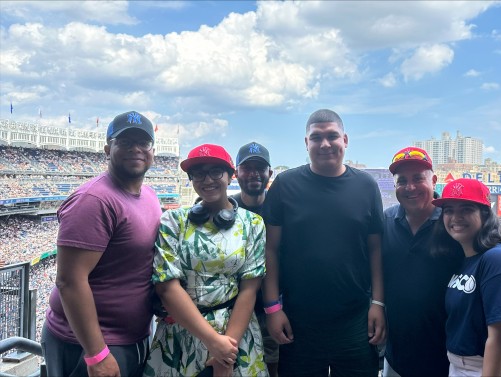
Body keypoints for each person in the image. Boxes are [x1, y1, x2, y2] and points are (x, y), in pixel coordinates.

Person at [382, 147, 501, 377]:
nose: (410, 187)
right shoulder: (387, 222)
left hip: (450, 358)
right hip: (405, 355)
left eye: (418, 178)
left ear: (433, 180)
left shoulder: (464, 236)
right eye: (402, 180)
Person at [262, 109, 385, 377]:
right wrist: (273, 308)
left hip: (355, 318)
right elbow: (270, 250)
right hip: (298, 319)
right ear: (306, 143)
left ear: (346, 140)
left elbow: (375, 250)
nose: (325, 144)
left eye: (332, 136)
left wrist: (378, 303)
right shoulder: (285, 184)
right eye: (316, 137)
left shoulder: (366, 186)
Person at [41, 111, 161, 377]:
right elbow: (70, 281)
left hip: (131, 338)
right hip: (90, 347)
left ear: (153, 151)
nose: (136, 149)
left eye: (143, 143)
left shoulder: (149, 196)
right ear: (108, 149)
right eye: (125, 142)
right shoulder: (94, 200)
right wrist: (96, 354)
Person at [144, 144, 268, 377]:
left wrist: (226, 354)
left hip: (236, 333)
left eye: (215, 172)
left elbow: (249, 290)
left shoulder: (252, 224)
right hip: (181, 332)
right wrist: (214, 342)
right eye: (199, 173)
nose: (207, 179)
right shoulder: (172, 221)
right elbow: (166, 287)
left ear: (230, 176)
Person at [431, 178, 501, 377]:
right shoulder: (464, 259)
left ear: (485, 215)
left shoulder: (496, 258)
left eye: (466, 209)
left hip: (493, 368)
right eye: (448, 210)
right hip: (459, 366)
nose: (455, 217)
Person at [229, 141, 279, 377]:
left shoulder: (281, 208)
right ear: (236, 173)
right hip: (232, 310)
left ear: (270, 173)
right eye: (247, 168)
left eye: (260, 168)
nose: (254, 174)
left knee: (274, 366)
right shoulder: (225, 208)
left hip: (274, 310)